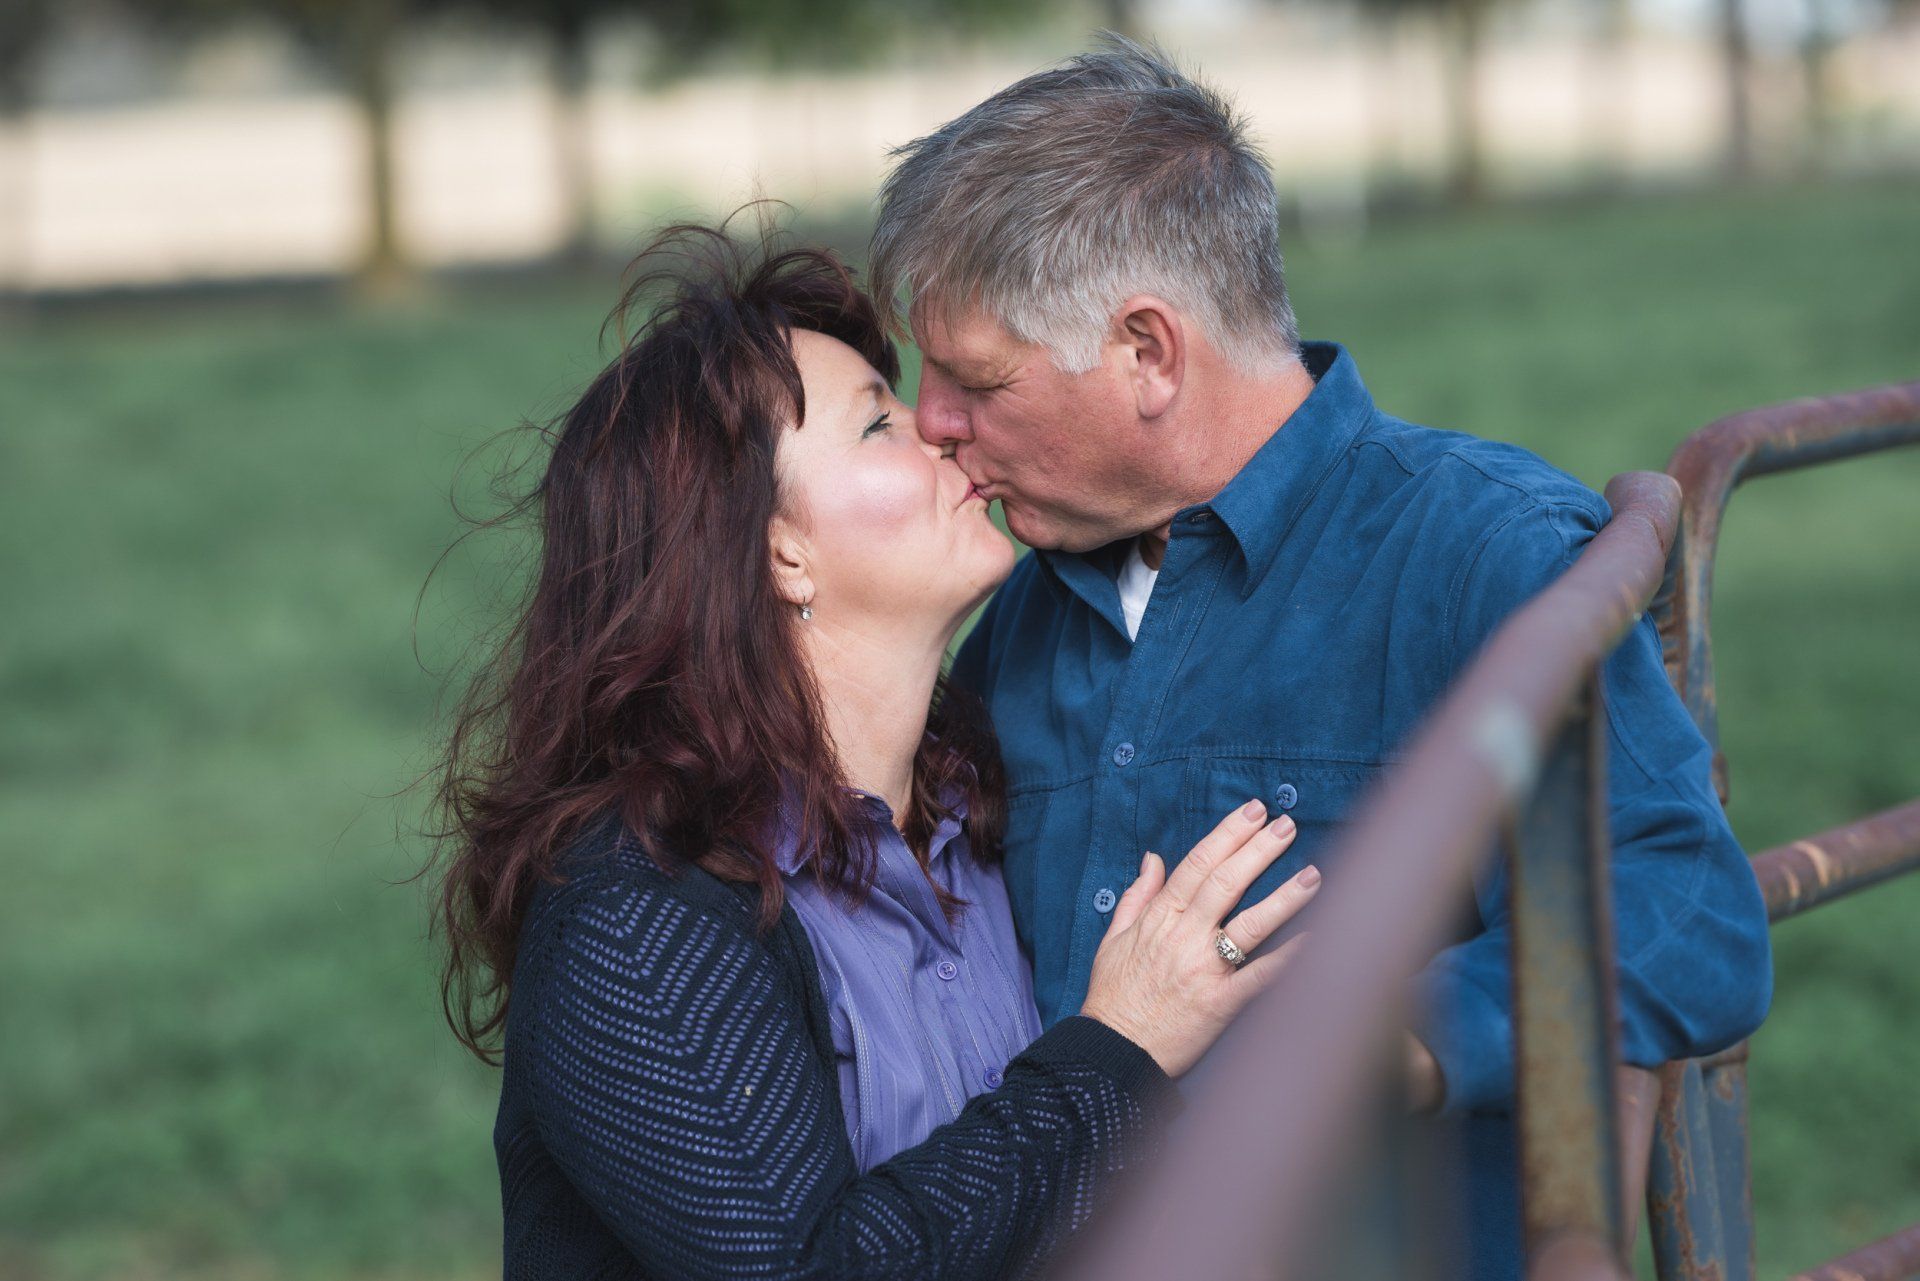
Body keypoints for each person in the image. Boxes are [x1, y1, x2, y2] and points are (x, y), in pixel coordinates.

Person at [870, 37, 1775, 1279]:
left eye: (976, 378)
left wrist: (1359, 1046)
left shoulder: (1481, 552)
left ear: (1148, 353)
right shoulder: (1018, 615)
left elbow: (1685, 910)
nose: (932, 420)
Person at [426, 222, 1321, 1280]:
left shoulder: (963, 828)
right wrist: (1120, 1049)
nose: (943, 429)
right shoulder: (634, 917)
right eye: (877, 427)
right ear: (781, 552)